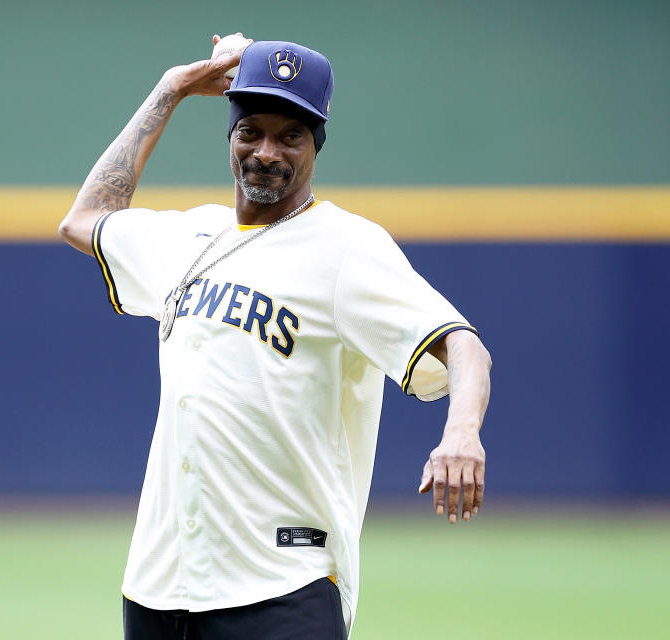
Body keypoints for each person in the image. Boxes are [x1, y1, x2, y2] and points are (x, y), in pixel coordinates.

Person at [59, 35, 492, 640]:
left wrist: (462, 433)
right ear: (230, 137)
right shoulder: (189, 238)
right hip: (160, 584)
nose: (267, 151)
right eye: (251, 130)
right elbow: (83, 219)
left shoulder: (348, 250)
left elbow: (463, 345)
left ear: (316, 145)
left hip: (283, 584)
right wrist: (171, 90)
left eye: (290, 135)